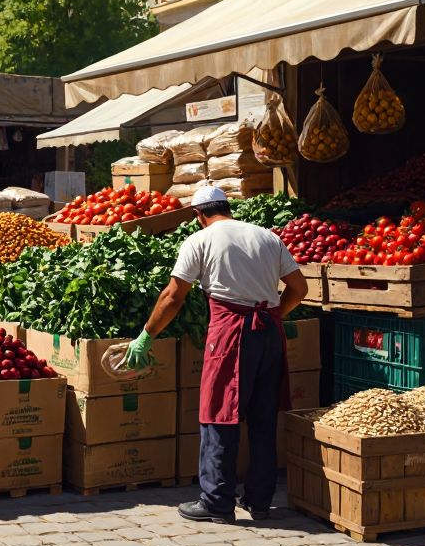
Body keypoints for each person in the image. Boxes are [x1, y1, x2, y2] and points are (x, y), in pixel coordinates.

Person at [126, 186, 307, 524]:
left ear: (199, 216)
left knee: (219, 412)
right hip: (269, 332)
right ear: (227, 207)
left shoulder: (201, 240)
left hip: (231, 331)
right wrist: (276, 313)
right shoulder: (267, 236)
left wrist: (146, 336)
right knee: (263, 418)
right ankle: (260, 500)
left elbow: (173, 297)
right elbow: (300, 288)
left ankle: (217, 501)